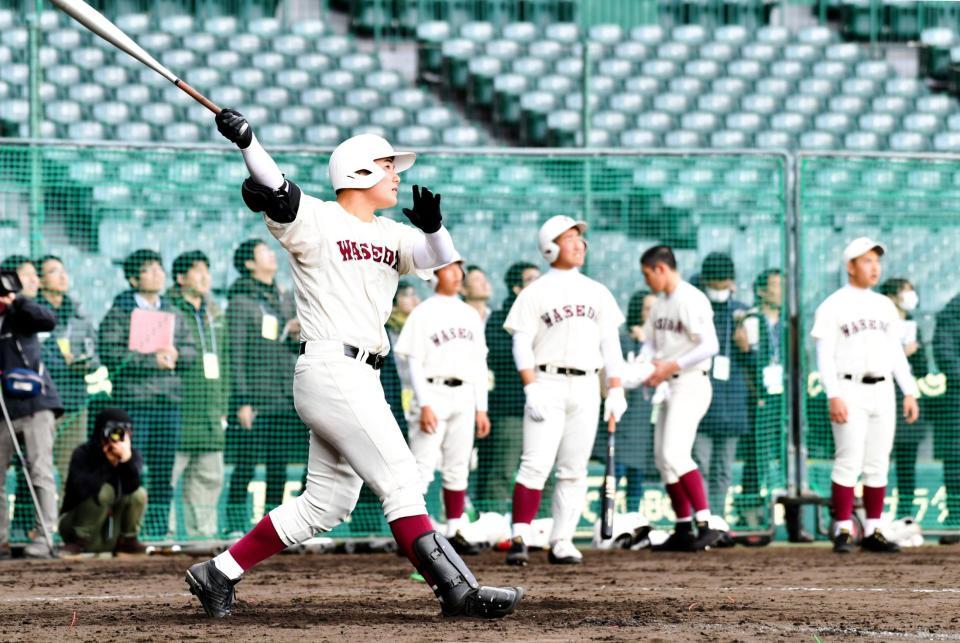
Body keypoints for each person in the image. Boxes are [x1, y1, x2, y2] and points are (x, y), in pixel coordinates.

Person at [185, 108, 521, 620]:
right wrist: (248, 142)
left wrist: (434, 227)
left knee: (328, 503)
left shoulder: (391, 233)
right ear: (361, 172)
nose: (397, 175)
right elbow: (278, 190)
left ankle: (218, 573)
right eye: (389, 166)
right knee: (402, 479)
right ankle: (457, 590)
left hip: (360, 374)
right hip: (332, 366)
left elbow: (438, 259)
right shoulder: (318, 219)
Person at [502, 215, 628, 566]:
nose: (579, 243)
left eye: (579, 237)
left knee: (574, 468)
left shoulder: (597, 291)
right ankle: (521, 536)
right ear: (550, 247)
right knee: (535, 464)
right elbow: (522, 344)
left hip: (588, 384)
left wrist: (615, 390)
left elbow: (611, 346)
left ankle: (562, 539)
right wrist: (531, 386)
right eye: (570, 237)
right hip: (548, 383)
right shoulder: (536, 292)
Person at [812, 237, 919, 554]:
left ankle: (873, 528)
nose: (874, 267)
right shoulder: (833, 304)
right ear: (850, 266)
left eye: (877, 261)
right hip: (849, 387)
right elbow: (824, 355)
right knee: (848, 459)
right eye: (867, 260)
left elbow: (896, 353)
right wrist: (833, 394)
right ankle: (843, 527)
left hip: (883, 388)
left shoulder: (884, 305)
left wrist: (909, 390)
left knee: (877, 461)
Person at [394, 255, 490, 554]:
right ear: (434, 275)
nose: (457, 273)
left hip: (464, 393)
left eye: (459, 268)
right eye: (449, 268)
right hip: (433, 392)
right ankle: (414, 534)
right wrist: (424, 405)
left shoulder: (470, 314)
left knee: (457, 466)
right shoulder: (423, 312)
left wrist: (481, 407)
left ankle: (454, 529)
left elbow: (478, 363)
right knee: (422, 467)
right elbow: (414, 363)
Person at [97, 249, 196, 539]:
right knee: (129, 466)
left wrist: (177, 356)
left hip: (168, 404)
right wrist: (151, 359)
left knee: (164, 471)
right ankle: (127, 530)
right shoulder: (119, 313)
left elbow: (191, 351)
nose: (158, 274)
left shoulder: (174, 311)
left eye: (159, 268)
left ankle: (157, 530)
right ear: (132, 278)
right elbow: (111, 354)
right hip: (133, 404)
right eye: (149, 269)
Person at [637, 245, 724, 552]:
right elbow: (650, 343)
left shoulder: (690, 298)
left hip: (690, 381)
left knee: (675, 453)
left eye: (648, 274)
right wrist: (643, 365)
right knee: (663, 458)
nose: (647, 280)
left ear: (661, 268)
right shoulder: (661, 304)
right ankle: (684, 526)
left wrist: (669, 365)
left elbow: (709, 345)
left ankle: (707, 522)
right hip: (668, 383)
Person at [222, 239, 304, 535]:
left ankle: (271, 530)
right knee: (245, 464)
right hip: (255, 399)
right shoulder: (241, 301)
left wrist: (292, 331)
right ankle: (233, 526)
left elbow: (288, 344)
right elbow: (236, 353)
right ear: (248, 263)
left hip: (282, 395)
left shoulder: (283, 297)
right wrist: (241, 400)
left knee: (278, 465)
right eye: (264, 252)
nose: (272, 254)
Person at [0, 274, 63, 559]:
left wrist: (18, 299)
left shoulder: (20, 314)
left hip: (37, 404)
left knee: (40, 470)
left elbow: (48, 319)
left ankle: (45, 535)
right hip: (4, 411)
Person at [168, 251, 227, 540]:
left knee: (209, 478)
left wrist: (224, 405)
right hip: (178, 409)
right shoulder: (166, 311)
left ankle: (203, 539)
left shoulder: (216, 314)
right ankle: (161, 537)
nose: (205, 276)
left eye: (207, 270)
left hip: (211, 413)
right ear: (180, 278)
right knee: (166, 476)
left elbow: (226, 363)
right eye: (197, 271)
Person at [476, 261, 539, 515]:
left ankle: (539, 526)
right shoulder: (500, 320)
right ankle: (495, 522)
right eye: (531, 279)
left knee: (542, 470)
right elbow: (499, 357)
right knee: (503, 469)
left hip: (544, 408)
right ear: (516, 288)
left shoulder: (546, 317)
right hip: (509, 408)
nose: (538, 283)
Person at [36, 255, 101, 495]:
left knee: (73, 467)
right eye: (54, 271)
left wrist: (86, 363)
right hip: (41, 402)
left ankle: (68, 523)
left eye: (64, 270)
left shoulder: (79, 314)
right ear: (40, 281)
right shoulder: (31, 312)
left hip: (74, 401)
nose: (62, 276)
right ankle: (35, 523)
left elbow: (96, 354)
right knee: (37, 467)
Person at [693, 253, 750, 518]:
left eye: (723, 284)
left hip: (732, 404)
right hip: (700, 403)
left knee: (723, 469)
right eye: (714, 284)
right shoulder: (694, 307)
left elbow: (755, 361)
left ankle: (718, 520)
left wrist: (746, 348)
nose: (719, 289)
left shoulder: (742, 312)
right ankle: (701, 518)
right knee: (699, 464)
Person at [594, 290, 658, 512]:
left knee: (638, 474)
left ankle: (633, 517)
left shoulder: (658, 342)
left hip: (644, 418)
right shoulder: (622, 339)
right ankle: (605, 518)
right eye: (648, 308)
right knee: (616, 469)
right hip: (624, 417)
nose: (651, 313)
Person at [734, 268, 786, 529]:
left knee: (787, 454)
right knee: (755, 455)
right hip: (759, 399)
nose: (781, 291)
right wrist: (756, 394)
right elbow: (745, 363)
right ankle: (750, 510)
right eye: (777, 286)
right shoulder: (751, 320)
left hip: (784, 400)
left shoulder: (790, 322)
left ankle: (790, 514)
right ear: (762, 290)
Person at [59, 407, 147, 555]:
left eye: (123, 431)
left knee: (138, 493)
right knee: (105, 491)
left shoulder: (132, 454)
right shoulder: (84, 452)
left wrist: (125, 461)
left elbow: (132, 487)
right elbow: (80, 490)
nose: (117, 435)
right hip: (76, 528)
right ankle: (78, 542)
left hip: (110, 535)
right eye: (113, 430)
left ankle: (128, 541)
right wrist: (108, 463)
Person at [879, 278, 930, 522]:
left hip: (906, 402)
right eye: (905, 291)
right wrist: (899, 353)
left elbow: (922, 369)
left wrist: (915, 352)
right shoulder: (877, 326)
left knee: (906, 462)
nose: (910, 296)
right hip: (879, 397)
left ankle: (905, 515)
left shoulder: (912, 326)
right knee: (876, 460)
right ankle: (872, 515)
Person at [932, 290, 960, 544]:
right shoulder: (952, 311)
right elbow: (944, 352)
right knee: (956, 461)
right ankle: (955, 520)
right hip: (957, 400)